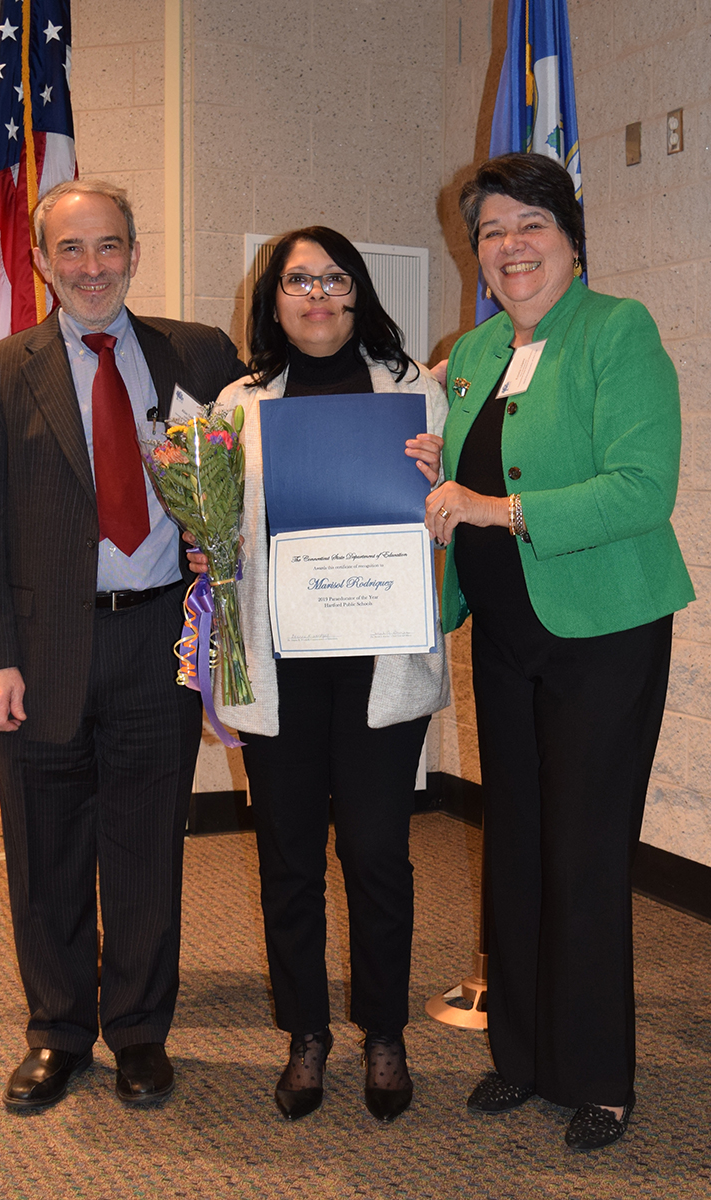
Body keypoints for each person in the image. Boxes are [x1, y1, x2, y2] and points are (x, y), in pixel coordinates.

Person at [0, 179, 246, 1111]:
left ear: (134, 251)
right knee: (48, 851)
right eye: (69, 250)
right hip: (40, 652)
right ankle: (61, 1031)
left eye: (108, 246)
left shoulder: (196, 354)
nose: (91, 267)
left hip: (162, 638)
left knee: (150, 846)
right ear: (38, 262)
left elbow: (248, 465)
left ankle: (142, 1032)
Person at [425, 153, 695, 1149]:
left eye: (529, 224)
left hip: (602, 635)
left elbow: (639, 488)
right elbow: (483, 459)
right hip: (504, 635)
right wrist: (439, 462)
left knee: (581, 851)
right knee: (518, 844)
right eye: (490, 233)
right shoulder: (475, 350)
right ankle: (521, 1056)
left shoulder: (615, 330)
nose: (509, 246)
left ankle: (596, 1076)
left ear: (570, 240)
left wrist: (493, 504)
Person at [187, 226, 449, 1123]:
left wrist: (441, 484)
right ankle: (307, 1035)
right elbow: (222, 530)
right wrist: (208, 538)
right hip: (281, 663)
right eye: (299, 281)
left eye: (335, 279)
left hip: (380, 663)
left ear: (359, 291)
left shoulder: (417, 393)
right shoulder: (239, 401)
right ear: (275, 298)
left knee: (377, 853)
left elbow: (444, 521)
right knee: (288, 857)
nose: (317, 296)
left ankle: (384, 1032)